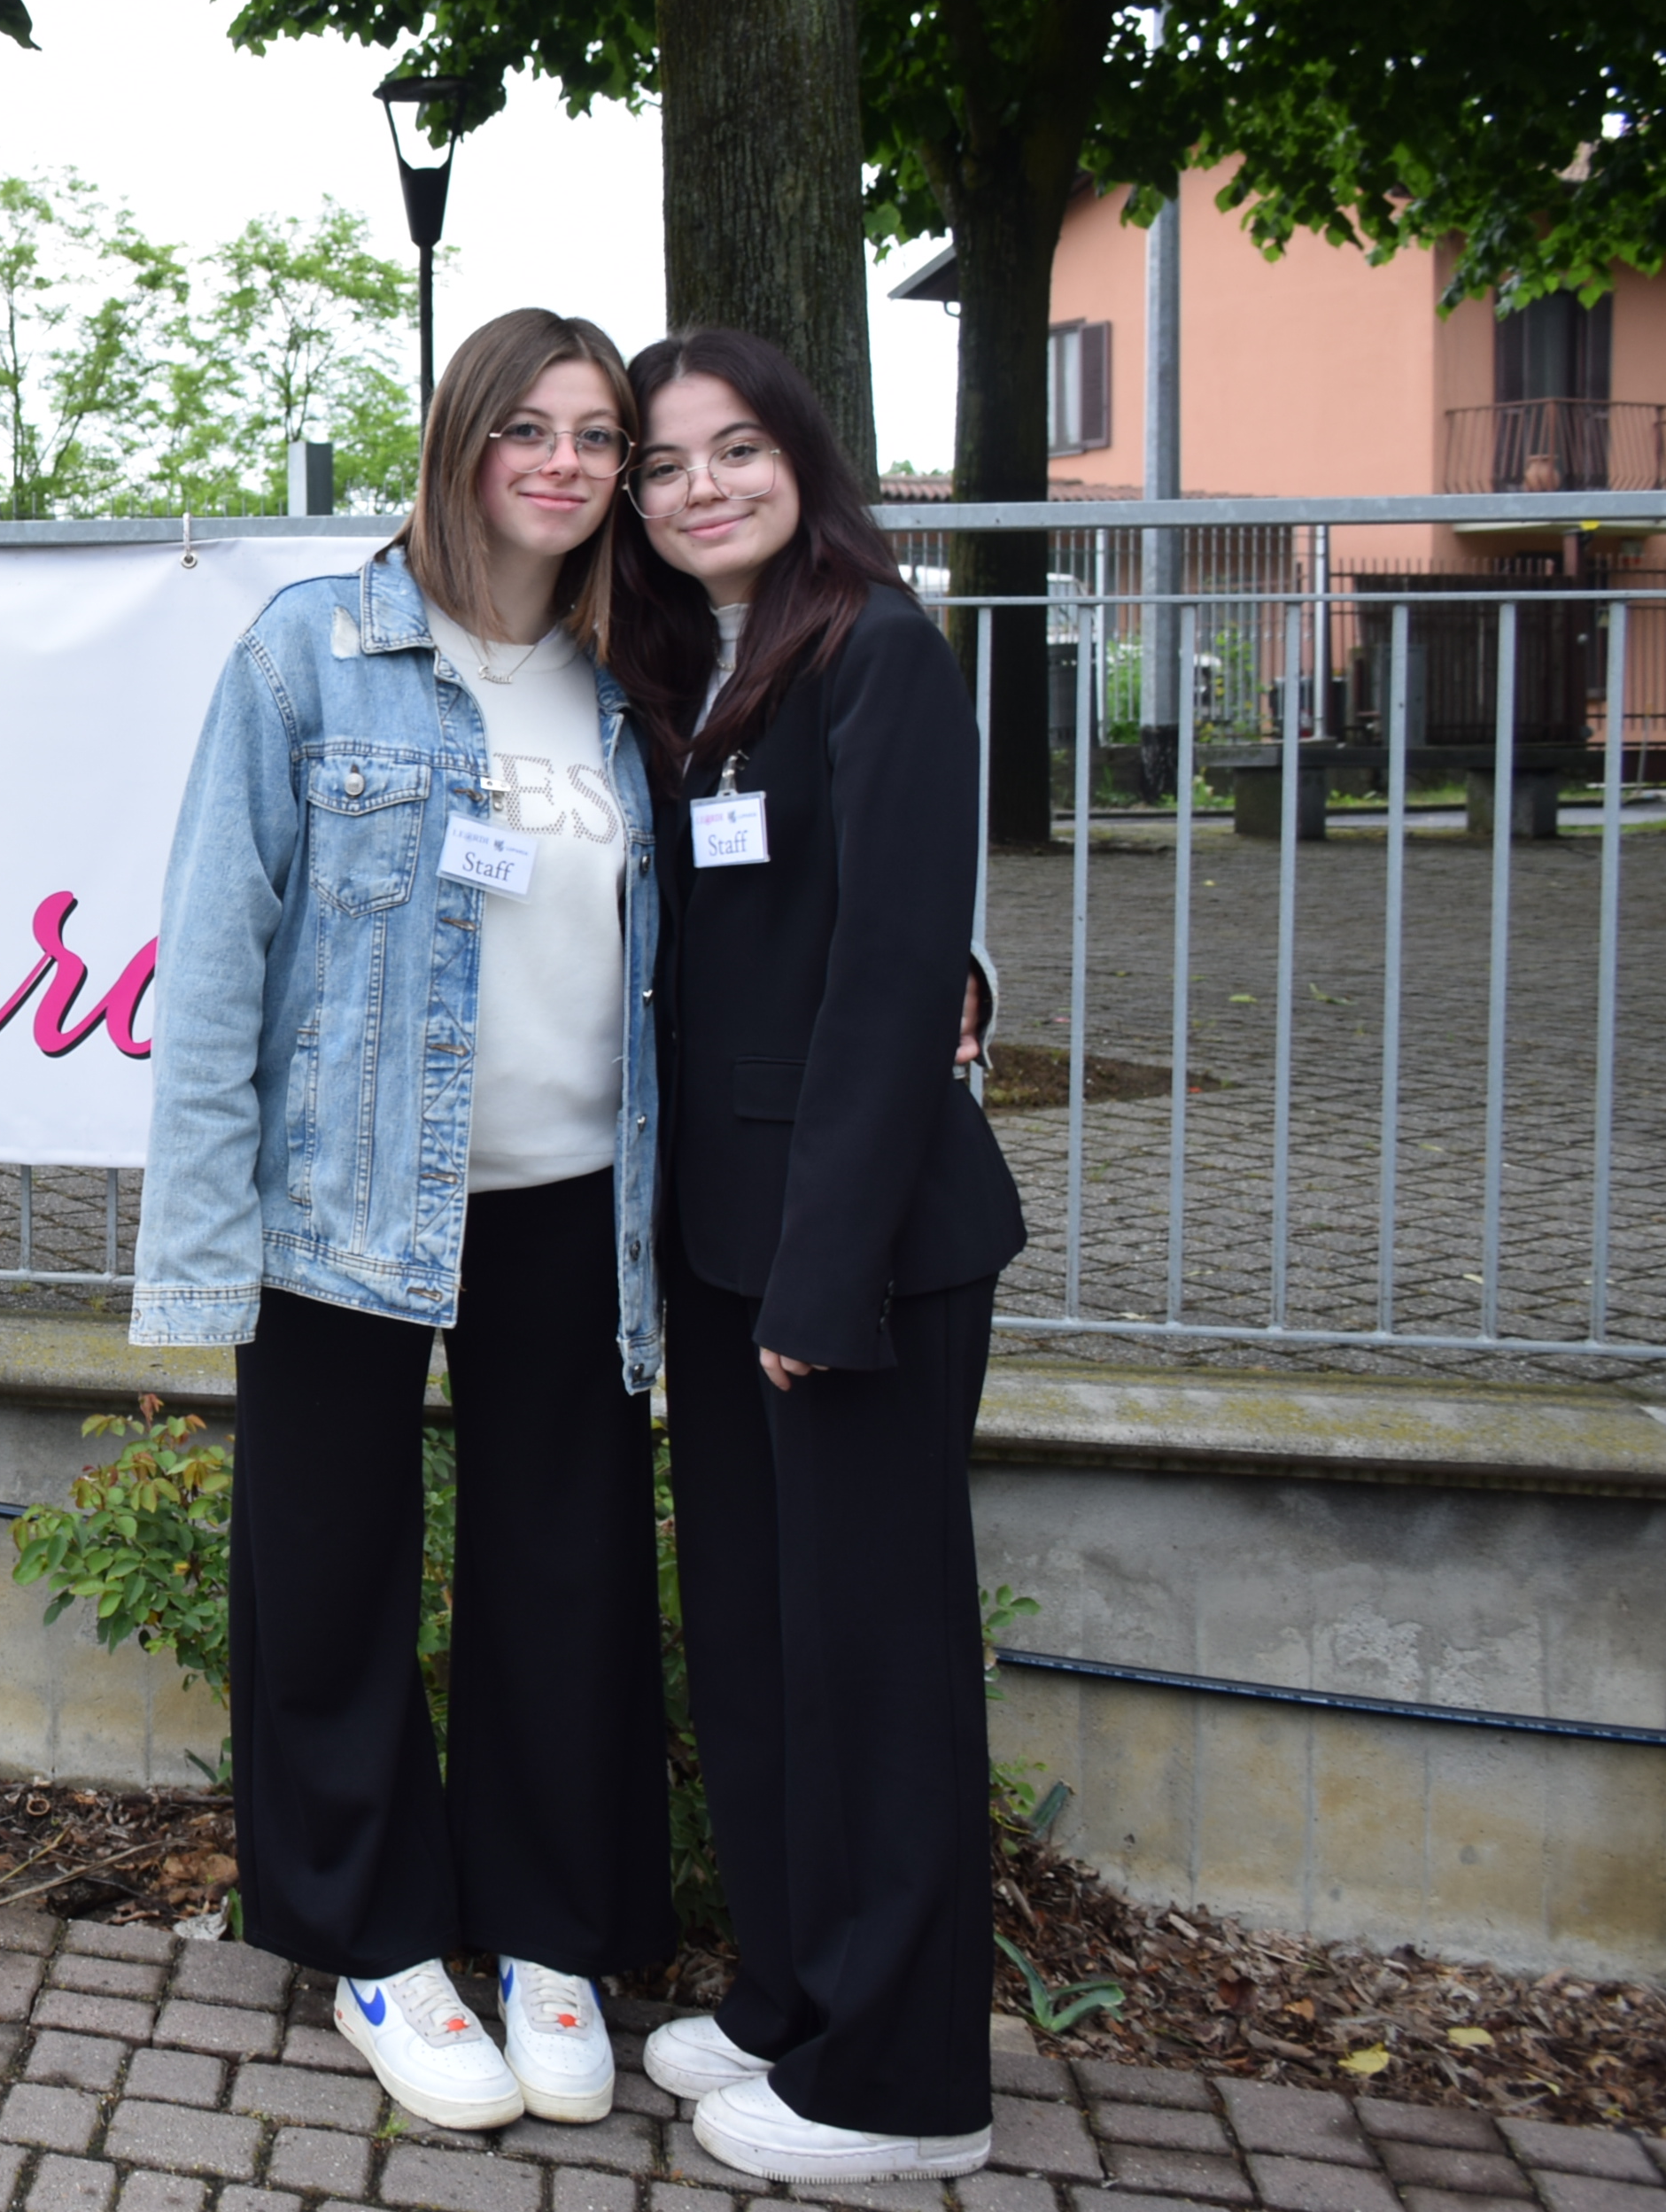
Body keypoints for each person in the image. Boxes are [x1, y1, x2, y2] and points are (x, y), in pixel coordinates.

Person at [136, 307, 675, 2135]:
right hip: (343, 1198)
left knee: (565, 1570)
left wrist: (962, 969)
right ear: (460, 441)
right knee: (332, 1571)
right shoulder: (312, 652)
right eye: (530, 427)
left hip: (576, 1202)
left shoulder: (638, 670)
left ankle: (548, 1934)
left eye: (596, 437)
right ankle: (375, 1941)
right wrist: (202, 1251)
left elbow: (800, 851)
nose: (564, 464)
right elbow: (217, 957)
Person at [610, 326, 1027, 2185]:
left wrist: (822, 1275)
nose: (699, 487)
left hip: (852, 1255)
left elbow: (891, 972)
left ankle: (904, 2084)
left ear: (802, 458)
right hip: (724, 1242)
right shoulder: (687, 666)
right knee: (761, 1648)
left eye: (735, 450)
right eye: (663, 463)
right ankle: (794, 1997)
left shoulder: (880, 646)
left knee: (875, 1664)